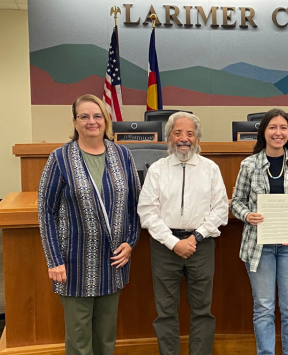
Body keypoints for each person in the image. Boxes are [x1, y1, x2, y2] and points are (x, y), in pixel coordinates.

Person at [38, 94, 141, 355]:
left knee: (106, 336)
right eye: (84, 116)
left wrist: (131, 242)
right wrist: (54, 260)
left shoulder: (123, 155)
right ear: (75, 122)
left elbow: (136, 206)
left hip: (112, 262)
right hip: (73, 264)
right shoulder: (59, 158)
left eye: (97, 116)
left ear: (106, 120)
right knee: (79, 339)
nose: (91, 121)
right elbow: (46, 211)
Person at [137, 112, 229, 355]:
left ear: (198, 138)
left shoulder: (210, 169)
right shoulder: (157, 170)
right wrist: (172, 242)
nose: (184, 138)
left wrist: (195, 237)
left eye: (190, 133)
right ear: (169, 137)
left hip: (201, 245)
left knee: (202, 311)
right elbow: (147, 211)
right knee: (165, 311)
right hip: (164, 247)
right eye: (178, 133)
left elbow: (220, 209)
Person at [230, 108, 288, 355]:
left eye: (283, 128)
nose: (278, 133)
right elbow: (236, 201)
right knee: (264, 308)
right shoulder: (249, 164)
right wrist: (247, 215)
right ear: (263, 132)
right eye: (273, 127)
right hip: (259, 247)